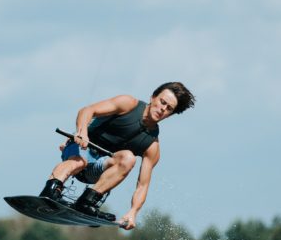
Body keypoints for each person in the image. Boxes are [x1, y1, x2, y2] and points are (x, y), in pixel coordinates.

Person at [39, 82, 196, 230]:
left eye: (168, 108)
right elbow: (87, 110)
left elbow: (143, 185)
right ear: (153, 97)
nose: (163, 109)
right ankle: (51, 190)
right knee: (79, 161)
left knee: (128, 158)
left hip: (98, 168)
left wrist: (133, 212)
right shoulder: (128, 104)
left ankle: (86, 203)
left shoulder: (152, 146)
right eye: (162, 102)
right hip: (80, 149)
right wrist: (82, 131)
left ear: (170, 114)